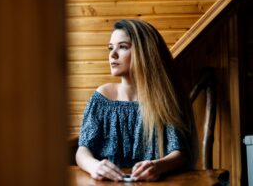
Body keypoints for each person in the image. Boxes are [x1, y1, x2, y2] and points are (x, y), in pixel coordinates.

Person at [75, 19, 198, 182]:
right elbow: (83, 149)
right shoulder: (102, 96)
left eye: (123, 47)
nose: (113, 54)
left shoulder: (164, 99)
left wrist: (158, 166)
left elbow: (180, 153)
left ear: (145, 52)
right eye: (111, 48)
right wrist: (94, 166)